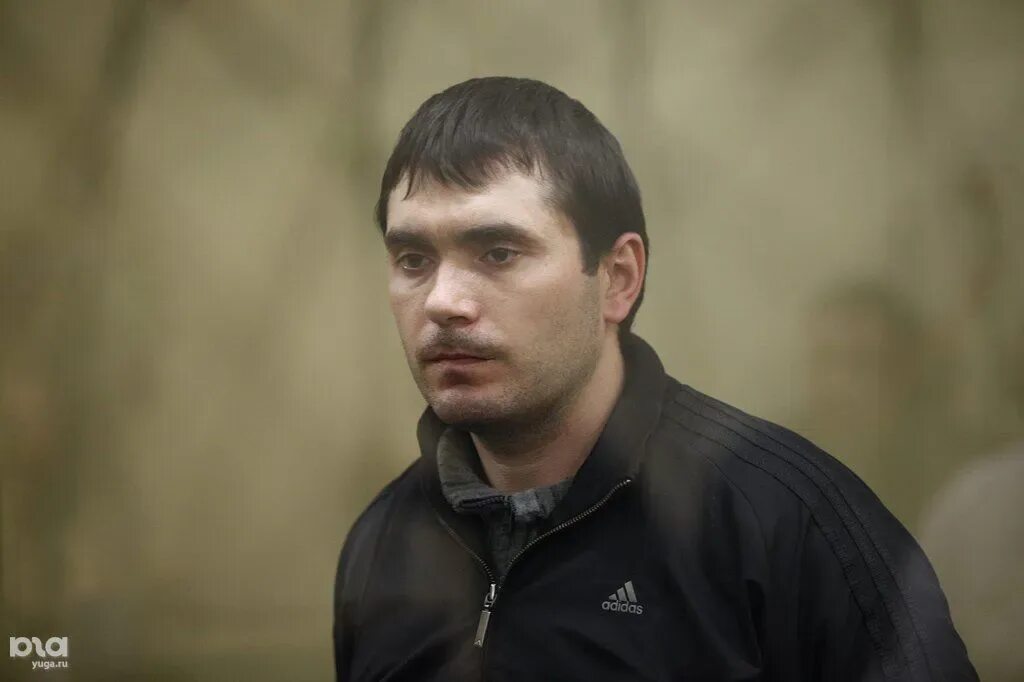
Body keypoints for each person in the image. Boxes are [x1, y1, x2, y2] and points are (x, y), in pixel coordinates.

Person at [333, 77, 977, 681]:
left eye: (498, 253)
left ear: (618, 279)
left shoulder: (788, 524)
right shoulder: (382, 543)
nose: (443, 301)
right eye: (412, 259)